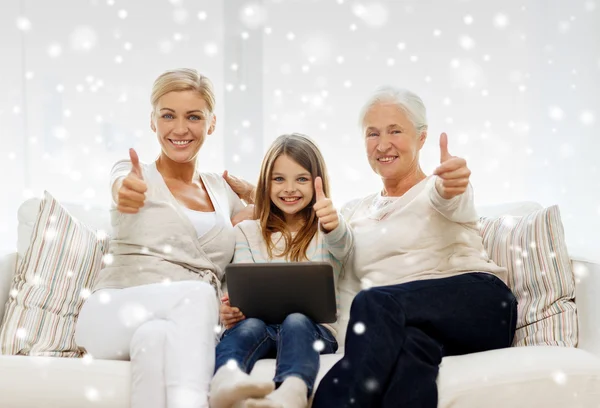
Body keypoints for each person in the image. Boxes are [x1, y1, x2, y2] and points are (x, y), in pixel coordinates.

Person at [224, 87, 518, 408]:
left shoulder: (436, 189)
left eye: (395, 131)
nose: (383, 144)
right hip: (413, 326)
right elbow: (303, 212)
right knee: (409, 356)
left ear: (421, 139)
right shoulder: (355, 211)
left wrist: (453, 184)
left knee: (375, 302)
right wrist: (262, 193)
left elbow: (452, 198)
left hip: (480, 307)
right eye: (372, 133)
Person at [75, 68, 253, 408]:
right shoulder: (134, 172)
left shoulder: (222, 190)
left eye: (194, 117)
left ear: (211, 123)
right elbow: (120, 184)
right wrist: (125, 191)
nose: (180, 128)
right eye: (168, 115)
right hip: (110, 313)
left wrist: (255, 192)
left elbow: (282, 210)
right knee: (200, 295)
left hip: (166, 325)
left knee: (156, 339)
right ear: (153, 121)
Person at [209, 134, 353, 408]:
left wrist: (333, 223)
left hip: (315, 332)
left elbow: (344, 245)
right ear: (265, 183)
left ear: (317, 182)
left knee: (296, 320)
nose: (289, 189)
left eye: (301, 179)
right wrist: (230, 310)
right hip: (259, 327)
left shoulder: (328, 229)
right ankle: (224, 382)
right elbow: (240, 287)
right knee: (249, 325)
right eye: (278, 179)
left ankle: (293, 390)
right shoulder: (246, 232)